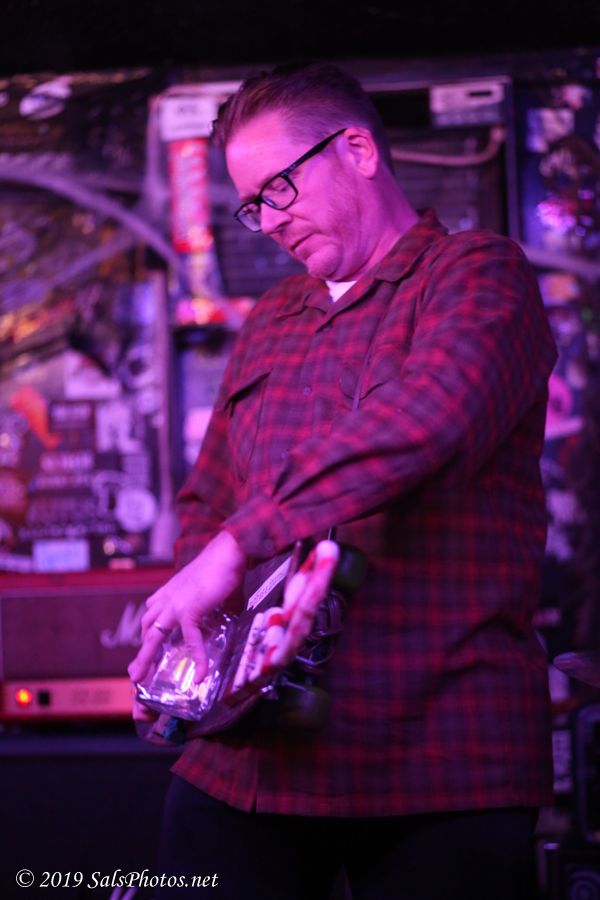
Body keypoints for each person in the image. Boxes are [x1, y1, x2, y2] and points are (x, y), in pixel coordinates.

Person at [128, 61, 558, 900]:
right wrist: (188, 658)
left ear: (357, 150)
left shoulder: (478, 273)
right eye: (252, 204)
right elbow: (210, 497)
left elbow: (429, 418)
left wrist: (238, 543)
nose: (268, 222)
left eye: (279, 189)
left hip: (438, 753)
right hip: (253, 755)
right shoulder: (271, 318)